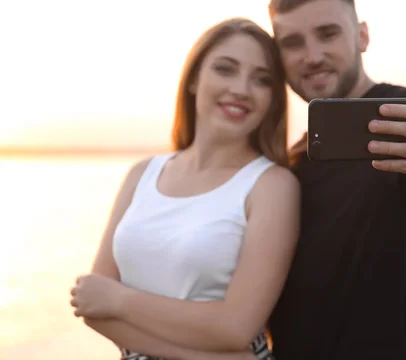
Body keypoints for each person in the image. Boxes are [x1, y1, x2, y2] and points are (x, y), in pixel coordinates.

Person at [263, 0, 406, 360]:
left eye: (327, 34)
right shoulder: (289, 162)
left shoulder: (401, 115)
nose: (311, 56)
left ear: (362, 36)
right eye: (292, 43)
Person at [69, 18, 300, 360]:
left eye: (261, 80)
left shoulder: (272, 186)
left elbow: (236, 327)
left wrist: (120, 300)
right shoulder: (142, 174)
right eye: (225, 69)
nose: (241, 88)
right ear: (194, 78)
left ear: (272, 99)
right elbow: (92, 305)